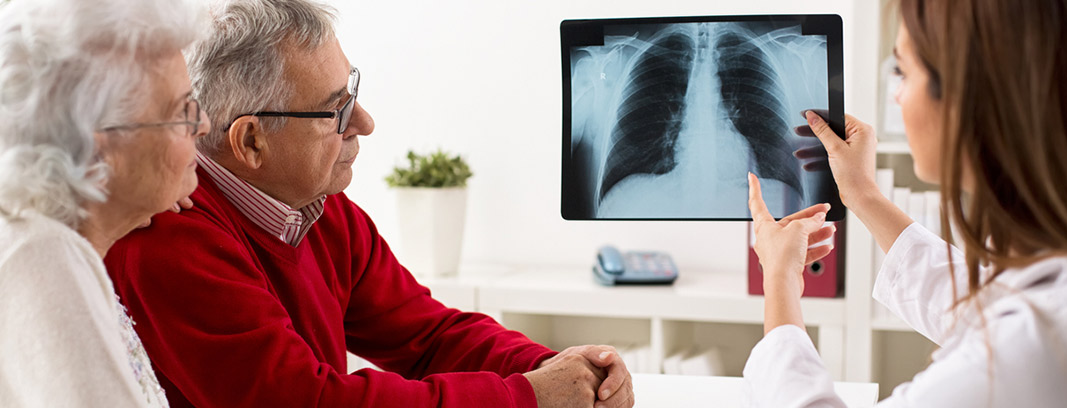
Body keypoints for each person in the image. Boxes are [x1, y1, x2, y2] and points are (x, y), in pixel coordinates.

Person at [104, 1, 634, 407]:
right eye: (335, 111)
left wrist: (558, 366)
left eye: (351, 91)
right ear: (250, 142)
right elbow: (312, 402)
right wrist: (529, 395)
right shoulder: (169, 239)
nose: (364, 123)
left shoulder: (317, 208)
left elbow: (429, 336)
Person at [742, 0, 1067, 406]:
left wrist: (780, 278)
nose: (896, 97)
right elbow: (982, 308)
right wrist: (861, 193)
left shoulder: (1028, 352)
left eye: (903, 72)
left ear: (968, 97)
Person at [0, 0, 210, 406]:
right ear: (97, 152)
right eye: (182, 111)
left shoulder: (45, 243)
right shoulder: (43, 256)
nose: (202, 125)